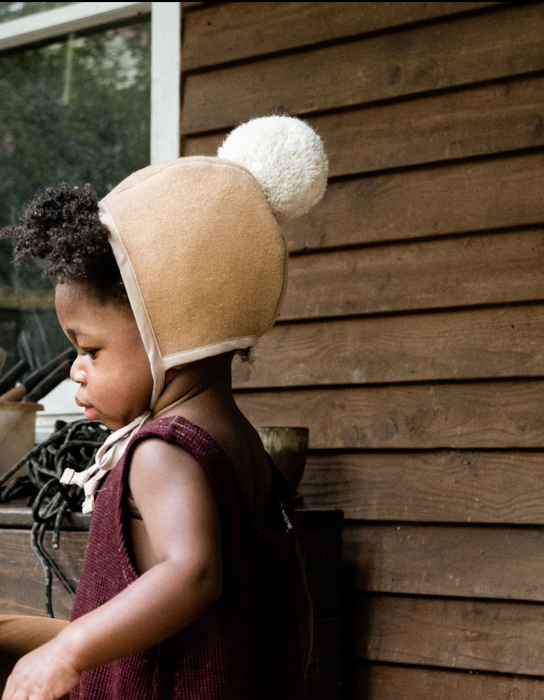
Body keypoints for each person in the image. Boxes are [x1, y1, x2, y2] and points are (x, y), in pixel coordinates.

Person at [0, 116, 328, 699]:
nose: (76, 368)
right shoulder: (244, 445)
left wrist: (67, 652)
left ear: (168, 334)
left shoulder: (163, 449)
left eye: (90, 349)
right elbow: (296, 600)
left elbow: (192, 571)